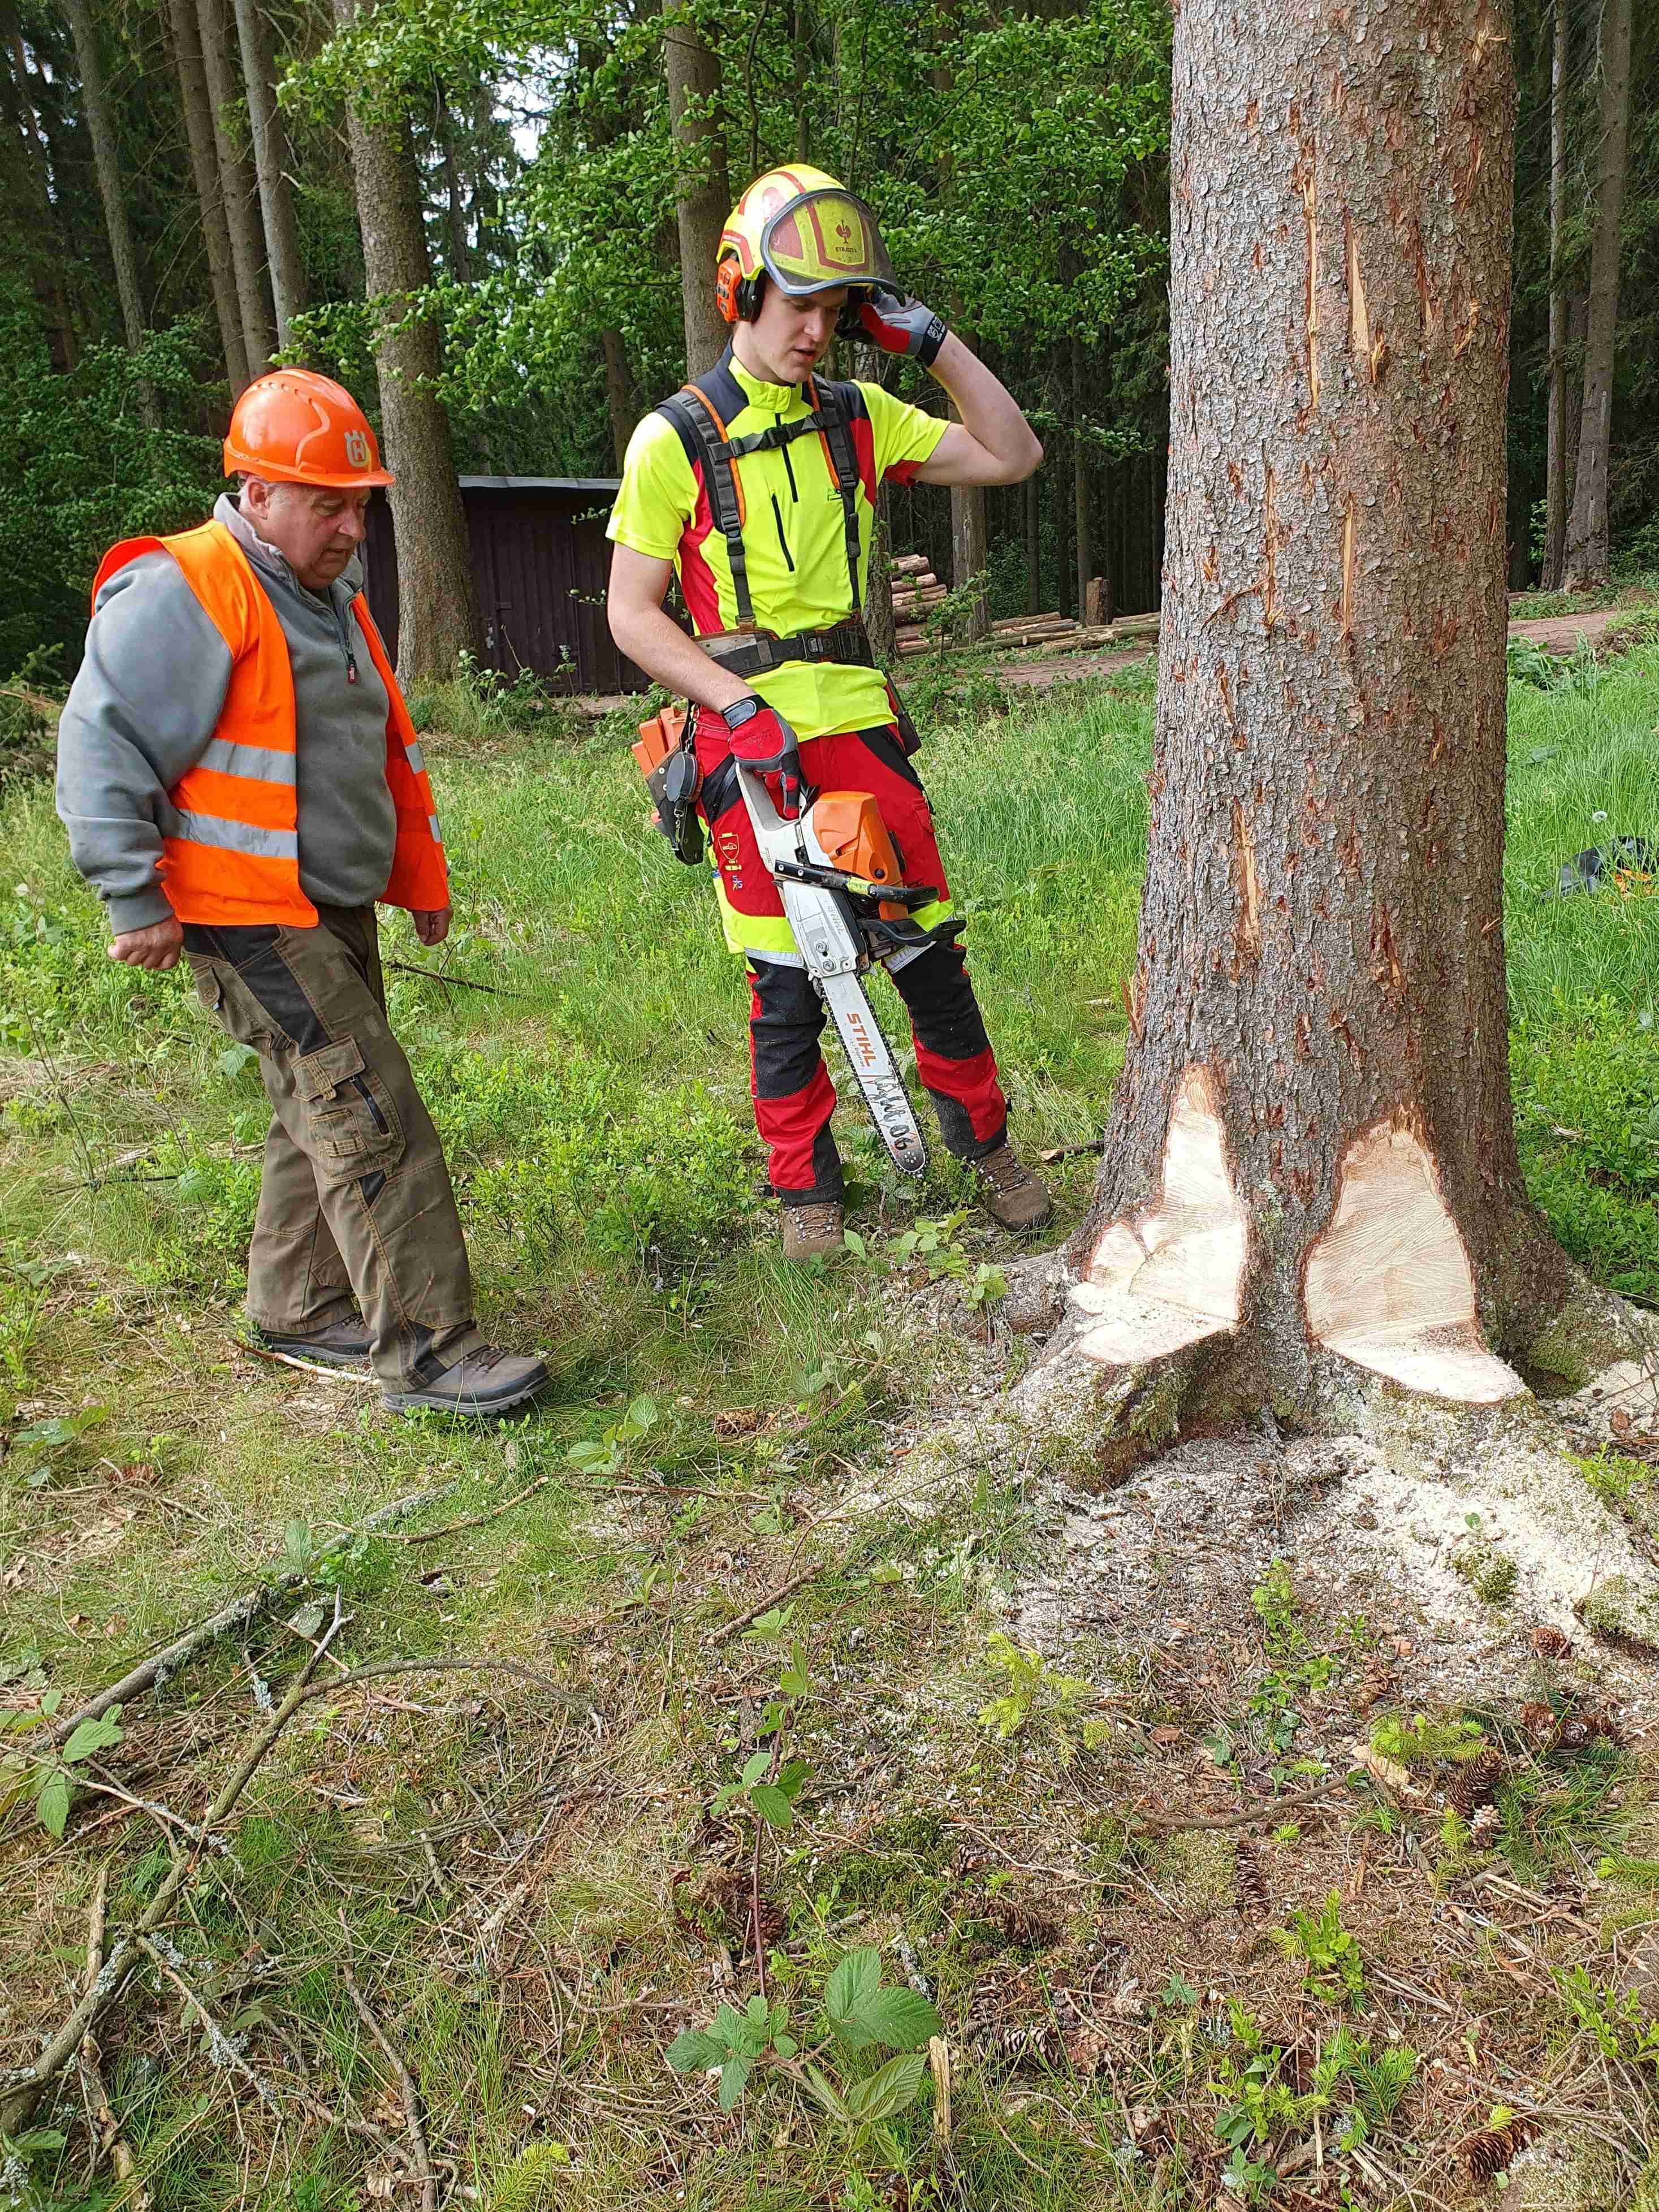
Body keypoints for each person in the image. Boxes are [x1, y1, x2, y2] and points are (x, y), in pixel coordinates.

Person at [55, 369, 549, 1418]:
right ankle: (427, 1350)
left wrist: (414, 877)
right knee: (366, 1109)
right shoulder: (187, 587)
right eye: (327, 502)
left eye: (359, 501)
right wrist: (130, 896)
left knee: (313, 1103)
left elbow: (367, 752)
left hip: (324, 900)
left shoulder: (328, 595)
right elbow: (99, 741)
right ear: (256, 490)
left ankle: (295, 1301)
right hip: (244, 913)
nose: (349, 523)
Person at [607, 164, 1053, 1262]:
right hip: (746, 740)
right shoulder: (675, 438)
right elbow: (632, 615)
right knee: (784, 975)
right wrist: (730, 702)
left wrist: (932, 343)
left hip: (859, 721)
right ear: (741, 292)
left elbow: (1013, 452)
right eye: (797, 304)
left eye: (833, 310)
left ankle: (986, 1146)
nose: (815, 332)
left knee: (925, 952)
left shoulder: (859, 416)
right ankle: (806, 1190)